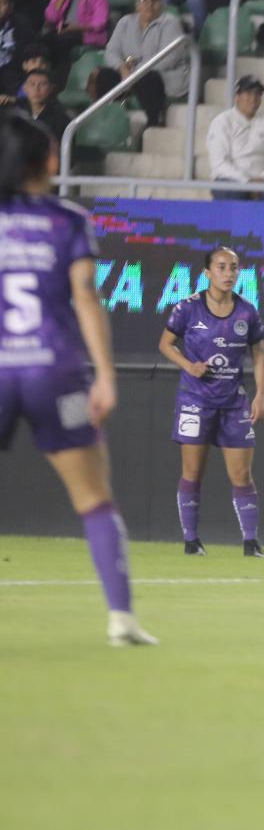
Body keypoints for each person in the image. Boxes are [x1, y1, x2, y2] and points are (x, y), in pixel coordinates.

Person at [0, 113, 157, 646]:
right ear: (47, 159)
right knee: (93, 498)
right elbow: (87, 297)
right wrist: (106, 375)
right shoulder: (68, 220)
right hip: (54, 371)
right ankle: (121, 619)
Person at [158, 245, 264, 557]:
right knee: (192, 472)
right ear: (207, 273)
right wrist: (188, 366)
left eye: (233, 267)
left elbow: (259, 353)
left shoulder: (247, 311)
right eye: (221, 267)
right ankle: (191, 541)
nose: (228, 273)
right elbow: (165, 344)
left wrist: (261, 394)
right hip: (195, 400)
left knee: (242, 474)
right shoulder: (187, 308)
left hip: (234, 402)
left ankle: (251, 542)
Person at [89, 0, 186, 126]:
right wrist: (122, 68)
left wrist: (134, 74)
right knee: (103, 76)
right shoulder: (125, 22)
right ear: (137, 6)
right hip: (130, 76)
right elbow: (111, 51)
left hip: (161, 77)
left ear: (161, 6)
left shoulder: (171, 23)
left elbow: (169, 58)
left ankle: (154, 123)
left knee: (148, 78)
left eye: (155, 0)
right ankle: (108, 121)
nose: (149, 4)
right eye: (144, 0)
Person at [206, 74, 264, 197]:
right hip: (231, 180)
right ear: (237, 97)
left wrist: (263, 179)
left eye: (257, 94)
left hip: (263, 181)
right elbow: (219, 163)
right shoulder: (222, 122)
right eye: (248, 94)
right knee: (231, 192)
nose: (253, 99)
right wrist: (247, 181)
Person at [40, 0, 108, 73]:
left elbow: (100, 22)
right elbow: (50, 17)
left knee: (62, 42)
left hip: (86, 34)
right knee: (41, 41)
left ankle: (61, 78)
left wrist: (78, 27)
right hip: (63, 31)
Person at [0, 0, 37, 94]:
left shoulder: (22, 26)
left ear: (11, 6)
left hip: (13, 73)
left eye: (3, 3)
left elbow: (29, 53)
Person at [15, 67, 68, 138]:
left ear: (51, 88)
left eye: (42, 84)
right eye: (32, 84)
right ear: (24, 88)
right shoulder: (18, 111)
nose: (36, 89)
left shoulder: (61, 117)